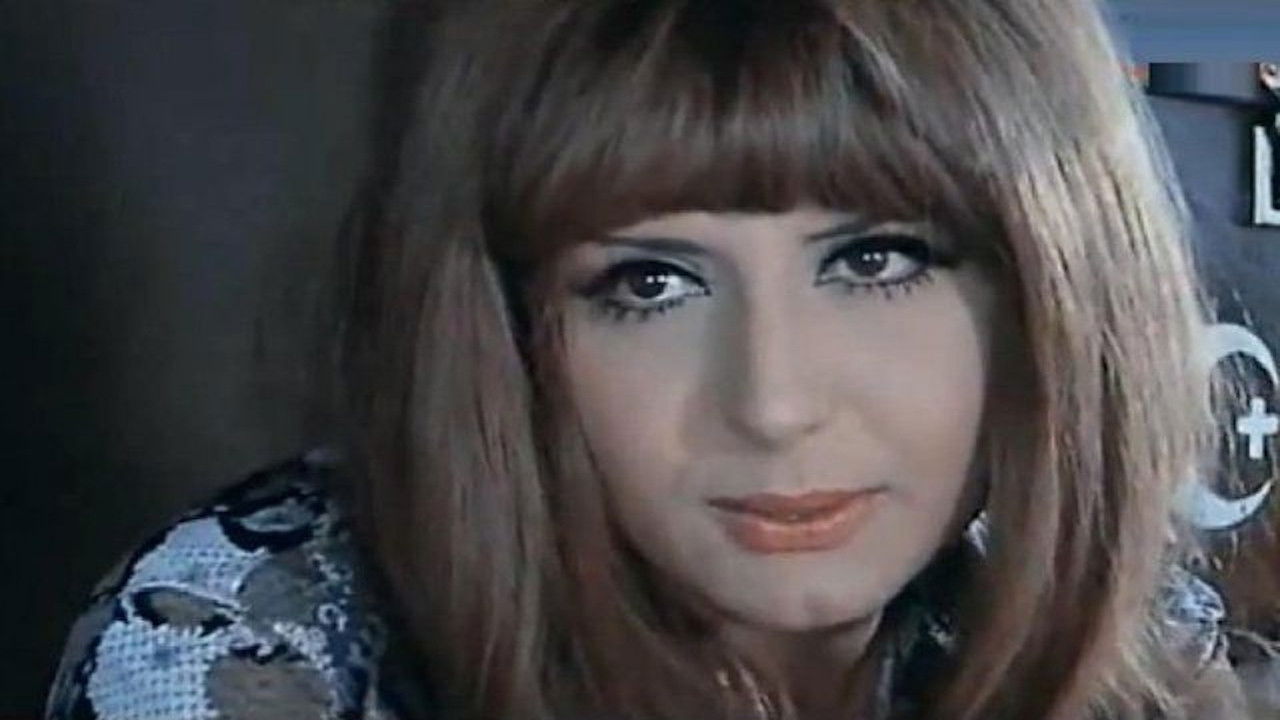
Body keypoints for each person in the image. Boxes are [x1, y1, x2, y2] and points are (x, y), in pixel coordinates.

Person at [45, 1, 1253, 718]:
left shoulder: (1123, 628)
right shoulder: (237, 648)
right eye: (649, 284)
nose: (771, 403)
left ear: (1048, 290)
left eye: (875, 259)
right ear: (506, 327)